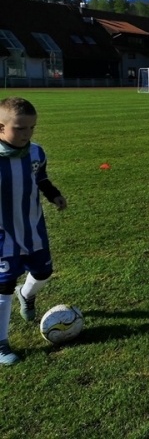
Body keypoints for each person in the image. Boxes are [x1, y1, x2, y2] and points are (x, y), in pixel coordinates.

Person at [0, 97, 68, 365]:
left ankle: (26, 295)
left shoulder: (36, 153)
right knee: (3, 286)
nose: (26, 134)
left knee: (43, 272)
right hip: (3, 236)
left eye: (31, 128)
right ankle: (1, 344)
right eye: (19, 128)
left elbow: (41, 179)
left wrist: (54, 195)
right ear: (1, 127)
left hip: (33, 229)